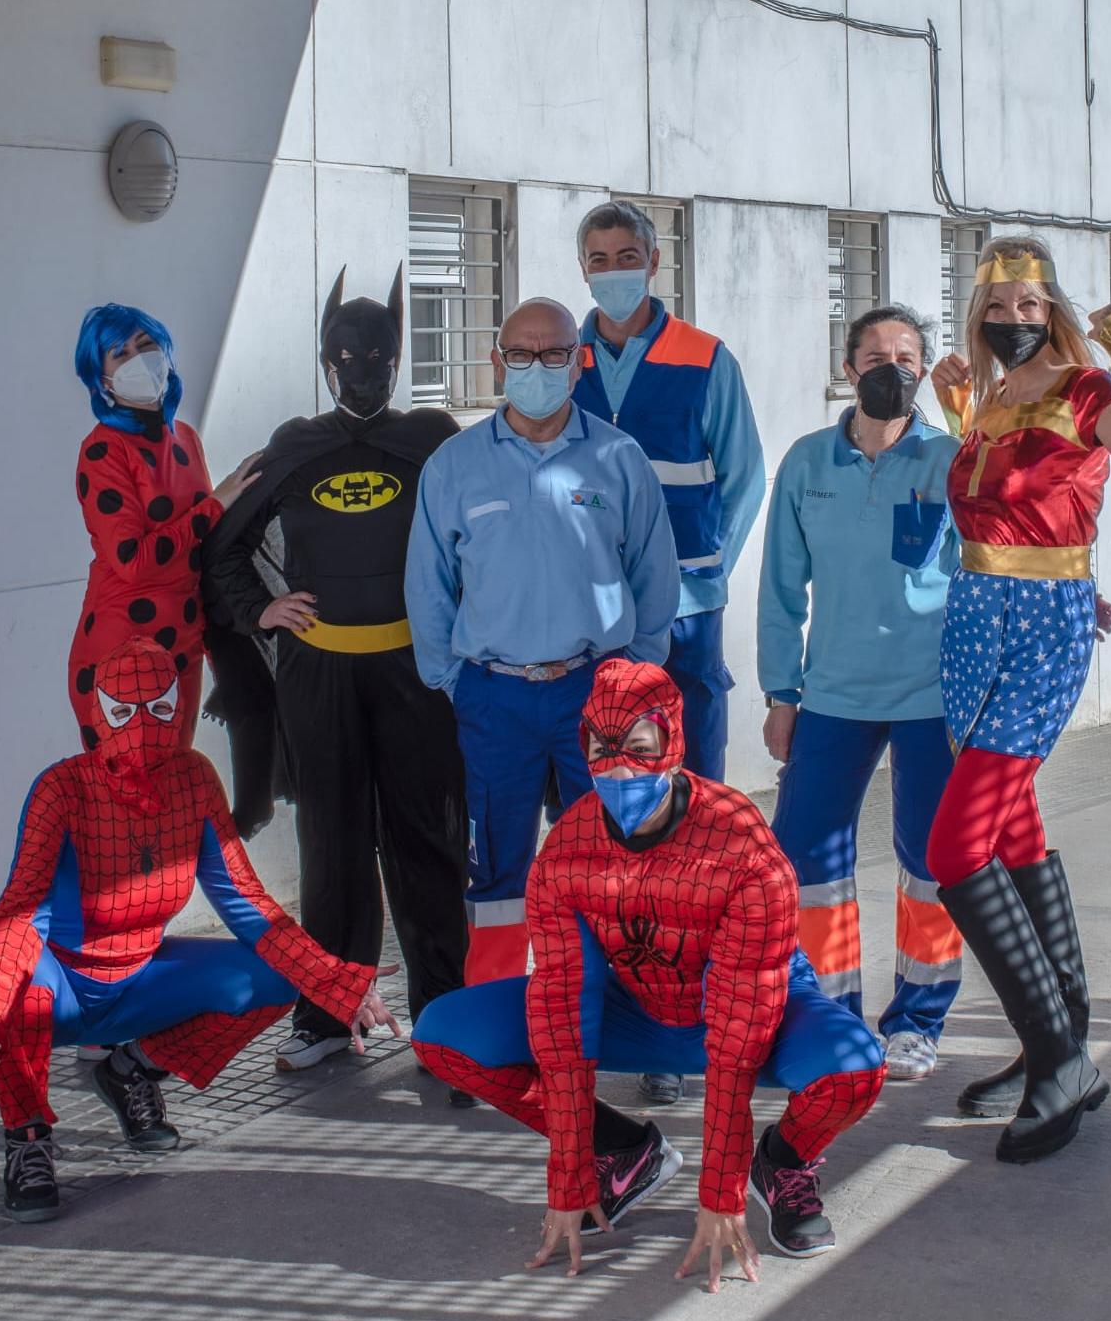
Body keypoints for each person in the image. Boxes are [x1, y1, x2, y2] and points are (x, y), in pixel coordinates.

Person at [412, 660, 885, 1288]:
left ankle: (784, 1159)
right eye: (601, 750)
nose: (619, 769)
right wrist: (571, 1172)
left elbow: (740, 1031)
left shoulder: (742, 845)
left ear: (673, 743)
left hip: (760, 1012)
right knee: (445, 1034)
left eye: (638, 748)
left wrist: (719, 1191)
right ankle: (623, 1151)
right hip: (635, 1003)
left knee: (854, 1069)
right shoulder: (568, 847)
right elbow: (562, 1007)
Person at [0, 637, 398, 1223]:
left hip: (140, 976)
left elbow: (246, 900)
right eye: (125, 712)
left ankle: (131, 1071)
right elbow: (23, 910)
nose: (144, 727)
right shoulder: (63, 788)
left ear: (180, 705)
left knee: (275, 978)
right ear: (96, 712)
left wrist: (333, 978)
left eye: (159, 708)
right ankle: (27, 1142)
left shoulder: (194, 779)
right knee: (10, 994)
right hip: (57, 979)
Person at [926, 236, 1111, 1162]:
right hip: (971, 619)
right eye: (1000, 306)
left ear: (1053, 311)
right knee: (1012, 826)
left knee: (955, 846)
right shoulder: (987, 396)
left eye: (1031, 306)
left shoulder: (1086, 390)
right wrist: (956, 405)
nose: (1015, 319)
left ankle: (1060, 1055)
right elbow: (988, 505)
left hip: (1039, 627)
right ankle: (1055, 1045)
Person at [201, 268, 469, 1073]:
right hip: (319, 679)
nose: (362, 368)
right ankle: (326, 1013)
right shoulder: (295, 446)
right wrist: (259, 611)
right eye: (347, 355)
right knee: (333, 845)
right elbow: (224, 550)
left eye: (377, 354)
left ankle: (442, 1012)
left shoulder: (431, 439)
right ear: (325, 362)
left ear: (397, 357)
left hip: (413, 675)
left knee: (426, 842)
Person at [405, 298, 678, 986]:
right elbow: (429, 582)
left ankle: (624, 1011)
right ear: (496, 363)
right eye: (521, 354)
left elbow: (653, 571)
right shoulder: (454, 464)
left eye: (553, 352)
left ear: (578, 361)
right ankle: (495, 1024)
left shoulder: (618, 457)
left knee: (617, 853)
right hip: (493, 695)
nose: (537, 366)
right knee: (496, 867)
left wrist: (634, 676)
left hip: (599, 693)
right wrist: (450, 677)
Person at [571, 201, 765, 1106]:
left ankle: (687, 1016)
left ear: (653, 261)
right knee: (603, 814)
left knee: (688, 805)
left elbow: (743, 471)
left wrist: (702, 564)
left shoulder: (703, 357)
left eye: (624, 255)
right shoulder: (556, 361)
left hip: (686, 605)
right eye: (596, 257)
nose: (611, 270)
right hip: (595, 615)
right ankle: (612, 1004)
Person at [758, 306, 962, 1084]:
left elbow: (998, 556)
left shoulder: (948, 460)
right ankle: (829, 1018)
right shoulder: (807, 463)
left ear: (922, 369)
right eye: (876, 354)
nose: (892, 366)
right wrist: (782, 692)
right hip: (832, 694)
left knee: (931, 863)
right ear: (848, 368)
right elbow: (780, 588)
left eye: (907, 356)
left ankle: (916, 1019)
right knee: (805, 858)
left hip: (930, 696)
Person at [69, 304, 258, 749]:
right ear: (101, 378)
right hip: (123, 644)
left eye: (147, 345)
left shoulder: (186, 438)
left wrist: (221, 653)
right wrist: (216, 505)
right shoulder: (102, 451)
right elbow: (133, 561)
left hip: (185, 641)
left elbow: (203, 552)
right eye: (121, 353)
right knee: (124, 800)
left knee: (178, 797)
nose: (139, 358)